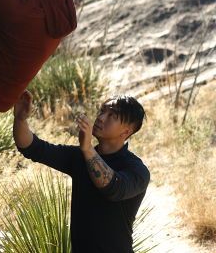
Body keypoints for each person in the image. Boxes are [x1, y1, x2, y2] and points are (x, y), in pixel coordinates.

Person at [13, 91, 150, 252]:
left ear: (126, 132)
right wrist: (20, 119)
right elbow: (32, 148)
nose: (101, 117)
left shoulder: (137, 170)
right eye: (102, 111)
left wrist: (87, 149)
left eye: (112, 115)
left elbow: (114, 189)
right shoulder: (80, 156)